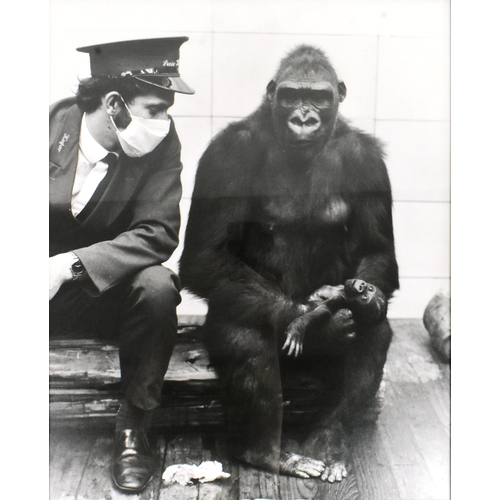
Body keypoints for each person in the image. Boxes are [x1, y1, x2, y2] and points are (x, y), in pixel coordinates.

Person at [49, 37, 194, 493]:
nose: (163, 122)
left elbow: (158, 233)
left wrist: (69, 264)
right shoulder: (38, 128)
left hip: (96, 292)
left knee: (157, 286)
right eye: (155, 108)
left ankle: (133, 428)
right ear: (113, 104)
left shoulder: (161, 145)